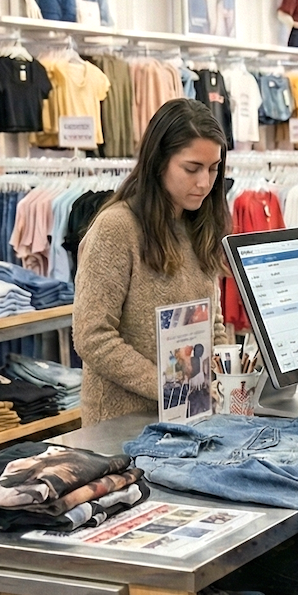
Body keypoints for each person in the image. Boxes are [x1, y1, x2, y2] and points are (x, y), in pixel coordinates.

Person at [73, 98, 229, 425]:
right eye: (191, 169)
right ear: (159, 162)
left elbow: (212, 321)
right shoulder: (116, 228)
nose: (204, 182)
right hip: (122, 424)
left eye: (213, 169)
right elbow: (92, 335)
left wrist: (222, 374)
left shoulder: (199, 226)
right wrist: (170, 386)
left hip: (193, 417)